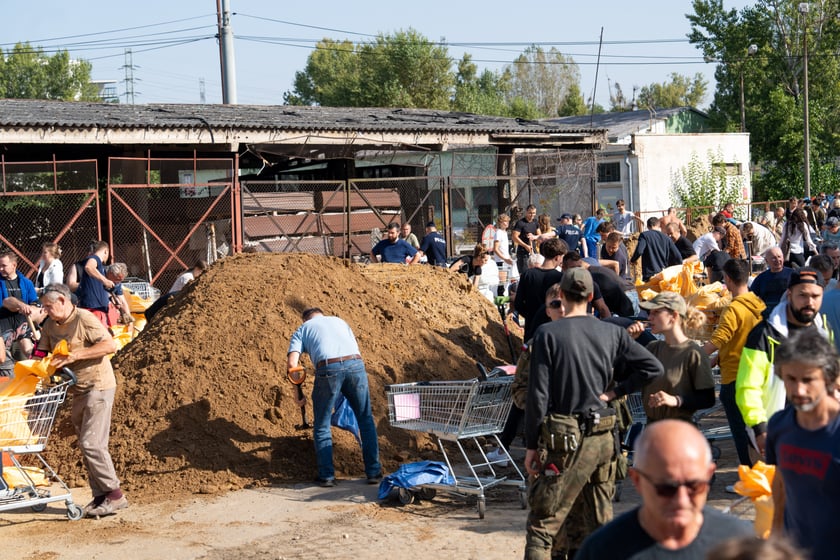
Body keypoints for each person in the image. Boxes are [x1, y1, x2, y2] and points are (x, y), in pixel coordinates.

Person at [523, 267, 663, 559]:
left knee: (542, 525)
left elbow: (537, 395)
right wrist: (615, 392)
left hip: (565, 440)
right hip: (604, 439)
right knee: (600, 522)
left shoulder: (547, 334)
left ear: (561, 294)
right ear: (590, 296)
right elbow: (653, 368)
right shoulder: (611, 331)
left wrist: (532, 445)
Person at [575, 420, 752, 560]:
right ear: (637, 480)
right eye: (666, 488)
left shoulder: (740, 544)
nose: (681, 499)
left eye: (694, 486)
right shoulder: (603, 550)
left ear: (709, 474)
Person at [38, 283, 127, 517]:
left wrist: (75, 355)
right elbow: (41, 350)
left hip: (98, 385)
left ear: (63, 301)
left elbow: (110, 344)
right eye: (44, 307)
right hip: (76, 389)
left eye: (49, 306)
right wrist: (33, 366)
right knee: (85, 443)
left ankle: (115, 495)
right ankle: (100, 496)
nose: (46, 310)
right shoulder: (50, 324)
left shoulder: (84, 318)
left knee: (92, 443)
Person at [736, 267, 827, 459]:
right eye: (802, 295)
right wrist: (760, 429)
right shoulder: (764, 335)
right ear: (789, 294)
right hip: (772, 437)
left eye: (815, 296)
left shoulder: (822, 332)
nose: (809, 302)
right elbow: (747, 387)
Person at [286, 307, 381, 487]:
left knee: (322, 424)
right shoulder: (340, 321)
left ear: (305, 320)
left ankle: (327, 476)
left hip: (328, 368)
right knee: (365, 420)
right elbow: (351, 350)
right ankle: (374, 472)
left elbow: (292, 364)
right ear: (322, 315)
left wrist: (297, 393)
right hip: (356, 364)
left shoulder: (303, 329)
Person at [767, 329, 840, 560]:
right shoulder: (779, 425)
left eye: (808, 380)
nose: (799, 390)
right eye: (791, 379)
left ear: (828, 378)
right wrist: (774, 540)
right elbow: (780, 486)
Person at [702, 259, 766, 467]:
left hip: (734, 378)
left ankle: (749, 476)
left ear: (727, 279)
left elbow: (721, 338)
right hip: (756, 375)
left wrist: (694, 356)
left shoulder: (733, 309)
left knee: (740, 433)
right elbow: (744, 337)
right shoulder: (759, 305)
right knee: (755, 430)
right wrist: (716, 359)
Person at [633, 292, 715, 423]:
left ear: (674, 316)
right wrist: (627, 341)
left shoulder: (693, 353)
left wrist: (676, 400)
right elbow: (626, 375)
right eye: (650, 313)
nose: (650, 317)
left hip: (679, 431)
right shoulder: (652, 348)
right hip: (653, 429)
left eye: (656, 312)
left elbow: (708, 399)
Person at [0, 251, 41, 371]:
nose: (1, 268)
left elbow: (34, 302)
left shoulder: (26, 283)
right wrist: (21, 305)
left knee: (29, 354)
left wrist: (33, 311)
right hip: (2, 323)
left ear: (14, 265)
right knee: (3, 361)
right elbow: (6, 302)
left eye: (4, 265)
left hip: (21, 323)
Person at [76, 241, 116, 328]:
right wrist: (105, 281)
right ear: (106, 251)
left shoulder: (99, 266)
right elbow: (89, 267)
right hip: (94, 308)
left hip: (96, 307)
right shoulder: (95, 258)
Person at [630, 217, 682, 282]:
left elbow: (639, 251)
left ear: (648, 226)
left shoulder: (644, 235)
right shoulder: (666, 238)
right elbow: (678, 256)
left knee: (648, 292)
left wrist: (633, 260)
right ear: (658, 225)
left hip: (649, 275)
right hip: (663, 275)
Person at [749, 246, 793, 317]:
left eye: (779, 257)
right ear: (767, 261)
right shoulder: (761, 278)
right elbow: (752, 296)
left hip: (787, 312)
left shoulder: (792, 274)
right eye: (773, 258)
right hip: (766, 313)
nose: (777, 260)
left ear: (783, 258)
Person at [512, 205, 539, 274]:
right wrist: (525, 246)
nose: (532, 215)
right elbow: (514, 237)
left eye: (534, 213)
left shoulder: (535, 222)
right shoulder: (520, 223)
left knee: (535, 271)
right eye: (530, 213)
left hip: (533, 251)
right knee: (524, 273)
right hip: (523, 252)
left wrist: (534, 236)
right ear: (526, 212)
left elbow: (539, 235)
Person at [492, 214, 515, 282]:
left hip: (506, 260)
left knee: (507, 281)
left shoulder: (504, 232)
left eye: (507, 221)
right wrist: (504, 259)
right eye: (504, 221)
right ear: (500, 222)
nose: (506, 223)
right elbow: (495, 249)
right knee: (502, 282)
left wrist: (508, 257)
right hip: (500, 261)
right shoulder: (498, 233)